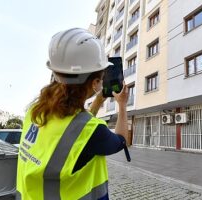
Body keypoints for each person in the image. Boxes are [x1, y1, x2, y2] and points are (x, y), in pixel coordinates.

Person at [16, 28, 129, 200]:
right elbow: (122, 140)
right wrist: (121, 104)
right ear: (96, 84)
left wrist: (97, 102)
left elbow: (75, 130)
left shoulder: (34, 110)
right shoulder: (91, 131)